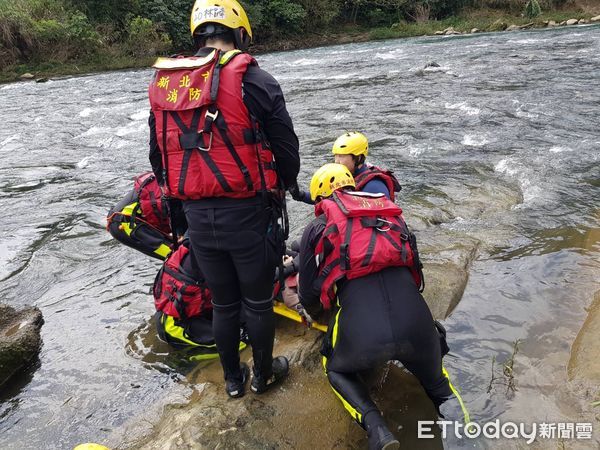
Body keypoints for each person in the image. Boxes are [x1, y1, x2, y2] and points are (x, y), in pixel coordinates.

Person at [147, 0, 301, 398]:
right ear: (239, 32)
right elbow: (286, 148)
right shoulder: (256, 80)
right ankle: (264, 376)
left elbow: (159, 157)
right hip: (248, 213)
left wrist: (180, 218)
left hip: (197, 218)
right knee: (257, 303)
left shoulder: (168, 84)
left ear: (197, 34)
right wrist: (286, 183)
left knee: (225, 304)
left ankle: (233, 381)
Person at [297, 163, 452, 450]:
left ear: (319, 199)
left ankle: (377, 429)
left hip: (364, 336)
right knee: (439, 385)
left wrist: (316, 310)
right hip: (417, 326)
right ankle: (454, 410)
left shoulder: (318, 226)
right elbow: (417, 277)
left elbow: (308, 294)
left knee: (335, 369)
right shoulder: (389, 215)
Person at [290, 131, 401, 204]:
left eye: (342, 156)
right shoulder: (341, 176)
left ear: (358, 158)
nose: (337, 161)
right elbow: (328, 198)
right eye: (336, 156)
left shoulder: (374, 187)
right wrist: (301, 195)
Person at [107, 172, 179, 260]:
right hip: (126, 223)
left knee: (187, 253)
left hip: (132, 218)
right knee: (180, 257)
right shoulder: (188, 189)